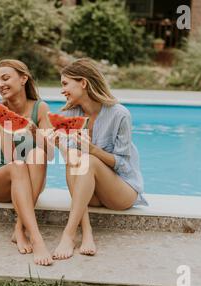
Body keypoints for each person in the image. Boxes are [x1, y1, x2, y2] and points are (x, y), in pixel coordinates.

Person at [51, 58, 148, 260]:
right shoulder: (70, 113)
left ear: (83, 83)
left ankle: (68, 234)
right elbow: (71, 160)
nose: (62, 91)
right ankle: (86, 233)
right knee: (75, 161)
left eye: (65, 83)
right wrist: (60, 143)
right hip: (91, 193)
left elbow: (122, 163)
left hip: (121, 190)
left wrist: (93, 150)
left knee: (88, 160)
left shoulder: (119, 114)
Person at [0, 59, 53, 266]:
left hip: (29, 183)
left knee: (38, 155)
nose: (0, 84)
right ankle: (37, 239)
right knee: (18, 165)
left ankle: (18, 228)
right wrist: (1, 127)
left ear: (24, 79)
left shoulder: (40, 108)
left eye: (5, 78)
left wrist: (34, 132)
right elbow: (11, 157)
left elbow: (49, 154)